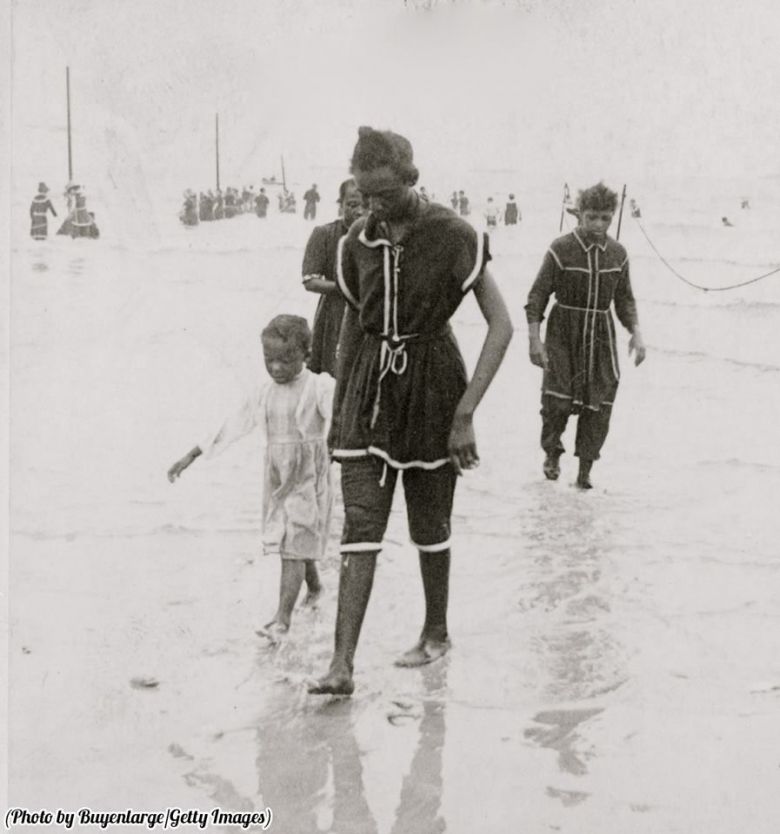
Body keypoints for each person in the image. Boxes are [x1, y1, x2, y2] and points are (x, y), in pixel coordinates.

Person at [309, 126, 513, 696]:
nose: (373, 206)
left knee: (429, 525)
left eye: (384, 194)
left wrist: (466, 413)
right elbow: (354, 324)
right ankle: (341, 666)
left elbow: (502, 325)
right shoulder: (355, 243)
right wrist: (340, 411)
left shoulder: (452, 234)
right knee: (361, 524)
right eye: (363, 195)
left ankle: (436, 631)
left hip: (433, 388)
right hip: (370, 392)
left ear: (412, 179)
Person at [167, 315, 335, 641]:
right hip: (277, 475)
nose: (276, 368)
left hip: (308, 474)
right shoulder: (263, 393)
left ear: (307, 355)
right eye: (269, 360)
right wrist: (191, 455)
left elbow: (344, 414)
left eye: (286, 360)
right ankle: (314, 587)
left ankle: (282, 619)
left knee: (295, 540)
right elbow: (232, 425)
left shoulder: (319, 386)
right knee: (292, 538)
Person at [525, 182, 646, 490]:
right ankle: (552, 453)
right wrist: (534, 339)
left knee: (599, 403)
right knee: (558, 402)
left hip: (601, 335)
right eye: (591, 217)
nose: (598, 224)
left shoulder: (618, 254)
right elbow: (538, 296)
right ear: (579, 214)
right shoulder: (560, 248)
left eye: (605, 218)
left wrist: (636, 333)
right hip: (563, 331)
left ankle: (584, 472)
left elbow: (625, 300)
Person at [302, 178, 363, 377]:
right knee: (333, 373)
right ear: (341, 204)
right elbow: (310, 281)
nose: (360, 212)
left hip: (370, 313)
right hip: (335, 313)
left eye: (366, 205)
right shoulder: (325, 234)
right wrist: (345, 288)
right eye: (352, 205)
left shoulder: (380, 236)